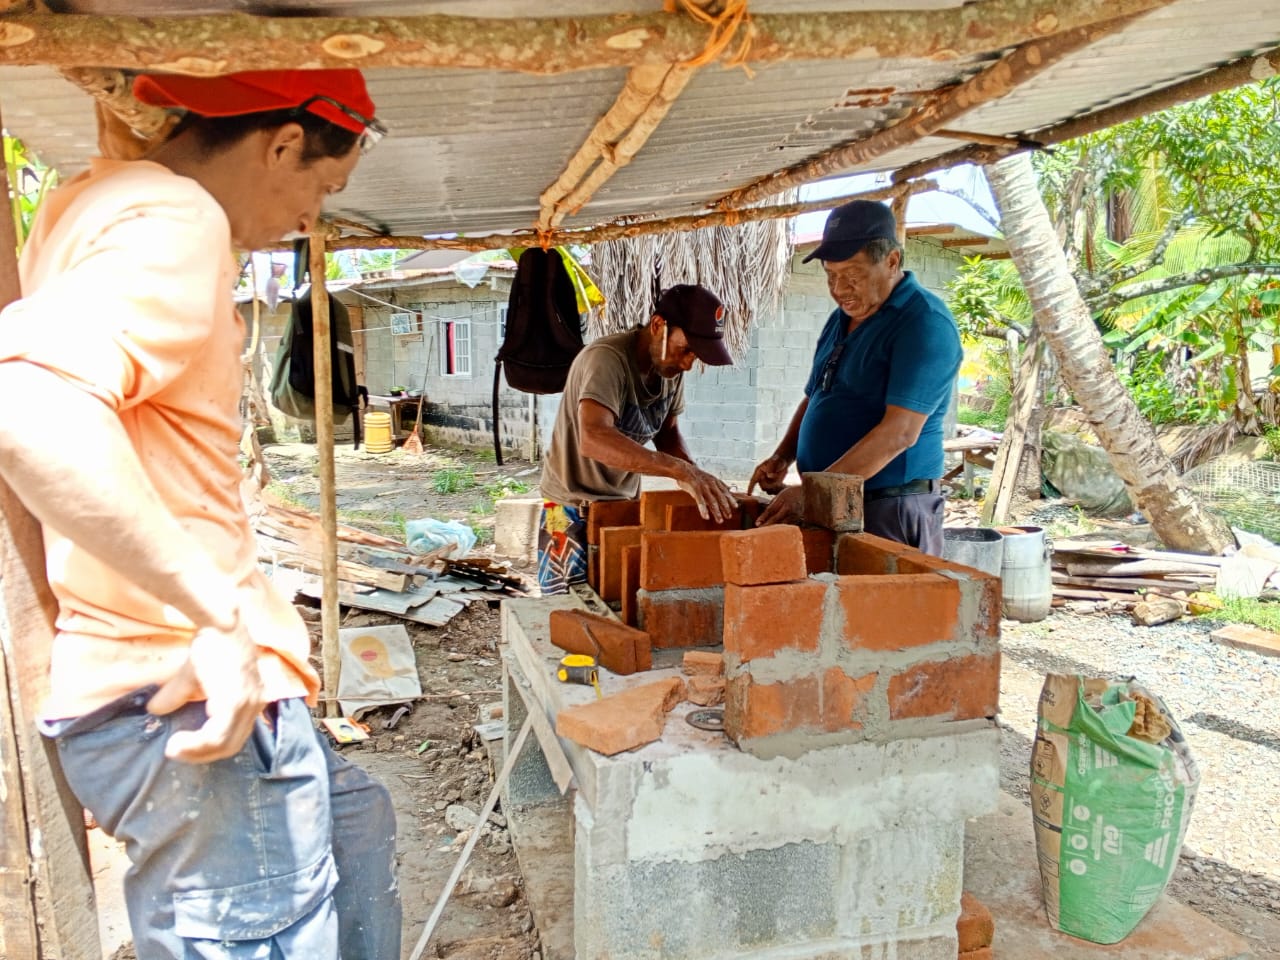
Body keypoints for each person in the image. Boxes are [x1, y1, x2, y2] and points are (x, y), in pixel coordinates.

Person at [0, 70, 400, 959]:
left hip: (176, 690)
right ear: (284, 143)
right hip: (182, 693)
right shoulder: (179, 221)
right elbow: (28, 406)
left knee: (359, 823)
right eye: (320, 191)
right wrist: (211, 615)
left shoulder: (91, 200)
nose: (309, 221)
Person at [750, 199, 962, 554]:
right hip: (838, 501)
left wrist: (816, 492)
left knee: (884, 605)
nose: (839, 289)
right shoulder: (841, 319)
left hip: (889, 506)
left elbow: (900, 433)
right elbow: (818, 394)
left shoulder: (923, 323)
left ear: (892, 261)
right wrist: (783, 457)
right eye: (831, 276)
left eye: (852, 275)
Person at [537, 284, 738, 594]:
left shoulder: (670, 371)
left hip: (622, 507)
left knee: (617, 604)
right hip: (568, 509)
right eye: (685, 350)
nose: (687, 364)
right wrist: (677, 470)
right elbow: (594, 437)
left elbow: (667, 434)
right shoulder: (606, 360)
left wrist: (696, 478)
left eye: (695, 356)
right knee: (568, 613)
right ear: (659, 325)